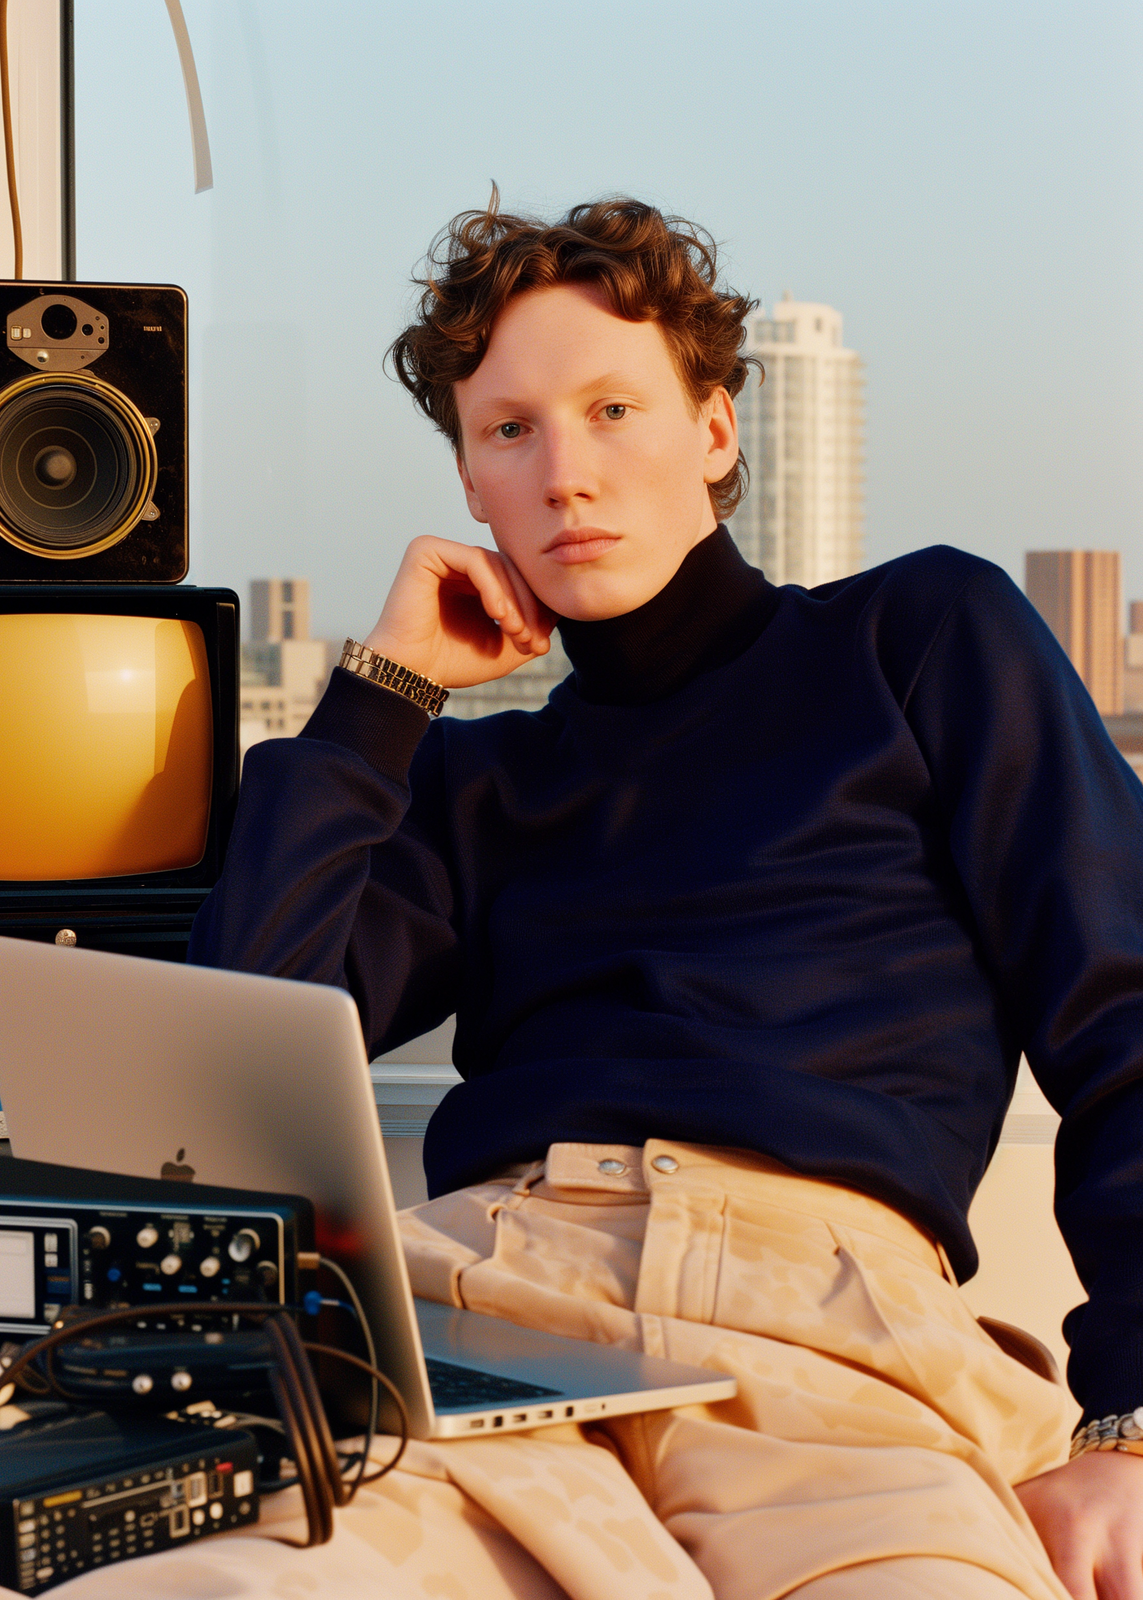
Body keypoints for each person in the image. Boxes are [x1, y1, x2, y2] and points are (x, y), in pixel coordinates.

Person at [189, 195, 1143, 1600]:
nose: (567, 472)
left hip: (834, 1355)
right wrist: (380, 696)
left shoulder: (923, 638)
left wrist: (1128, 1424)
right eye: (509, 429)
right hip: (480, 1320)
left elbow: (1122, 1014)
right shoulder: (472, 785)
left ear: (714, 432)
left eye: (613, 408)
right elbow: (228, 1088)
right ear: (470, 483)